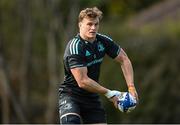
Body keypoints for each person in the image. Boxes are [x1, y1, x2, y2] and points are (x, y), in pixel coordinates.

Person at [58, 7, 139, 124]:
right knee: (71, 121)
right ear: (80, 25)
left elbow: (124, 59)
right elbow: (82, 81)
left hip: (91, 96)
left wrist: (131, 86)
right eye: (89, 24)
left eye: (96, 24)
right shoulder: (75, 47)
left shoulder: (103, 41)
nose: (93, 28)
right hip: (71, 95)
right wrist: (109, 93)